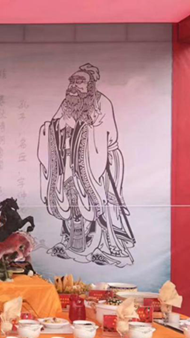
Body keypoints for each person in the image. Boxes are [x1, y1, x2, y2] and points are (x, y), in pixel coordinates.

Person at [37, 63, 135, 266]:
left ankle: (108, 247)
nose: (74, 85)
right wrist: (58, 126)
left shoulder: (101, 102)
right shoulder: (67, 103)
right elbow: (53, 126)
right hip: (69, 162)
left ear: (90, 85)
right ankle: (72, 244)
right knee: (72, 200)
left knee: (99, 202)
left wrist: (79, 128)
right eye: (72, 81)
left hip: (99, 161)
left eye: (80, 81)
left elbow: (106, 134)